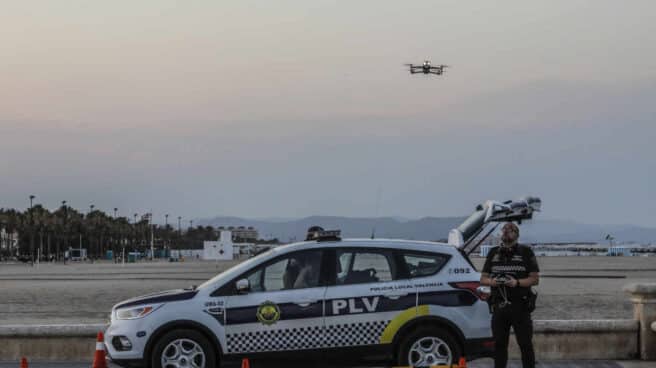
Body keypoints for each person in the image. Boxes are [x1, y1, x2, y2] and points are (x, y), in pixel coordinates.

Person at [480, 222, 540, 368]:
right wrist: (493, 282)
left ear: (517, 235)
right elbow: (483, 279)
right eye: (504, 229)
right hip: (499, 306)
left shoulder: (526, 252)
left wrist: (517, 283)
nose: (507, 232)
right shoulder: (493, 253)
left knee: (525, 344)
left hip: (520, 306)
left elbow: (535, 279)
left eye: (511, 230)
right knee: (499, 346)